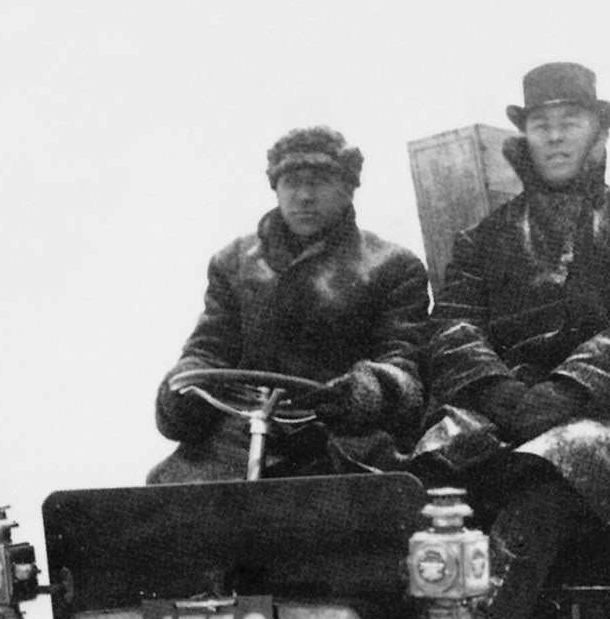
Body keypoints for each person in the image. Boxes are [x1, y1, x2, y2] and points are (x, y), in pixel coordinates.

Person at [415, 62, 610, 619]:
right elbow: (452, 325)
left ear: (599, 135)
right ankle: (422, 616)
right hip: (508, 405)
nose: (556, 136)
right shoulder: (482, 240)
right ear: (525, 139)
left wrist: (565, 392)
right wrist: (501, 393)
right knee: (434, 458)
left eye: (570, 122)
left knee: (558, 459)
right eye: (543, 124)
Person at [149, 126, 430, 484]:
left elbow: (403, 367)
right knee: (167, 491)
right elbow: (208, 349)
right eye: (291, 182)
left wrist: (364, 392)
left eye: (320, 181)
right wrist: (183, 388)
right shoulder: (233, 262)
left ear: (348, 188)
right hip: (244, 432)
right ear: (275, 188)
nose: (303, 196)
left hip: (341, 439)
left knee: (370, 504)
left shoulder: (393, 267)